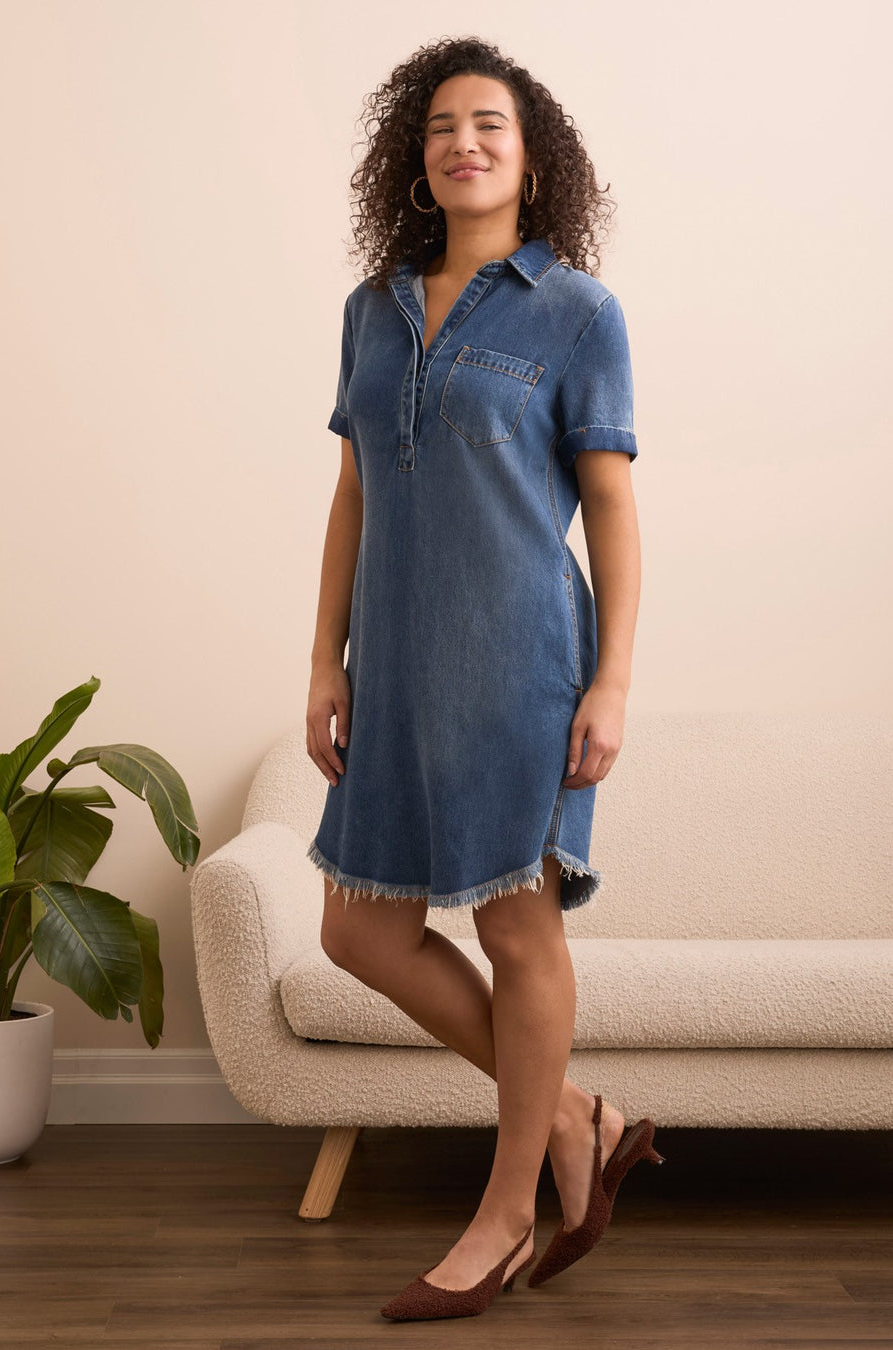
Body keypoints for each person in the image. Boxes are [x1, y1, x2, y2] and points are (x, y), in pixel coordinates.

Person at [304, 34, 664, 1322]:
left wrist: (611, 681)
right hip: (394, 672)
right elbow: (351, 498)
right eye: (444, 124)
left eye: (491, 126)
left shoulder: (577, 313)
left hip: (523, 662)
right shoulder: (373, 308)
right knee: (359, 927)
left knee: (520, 928)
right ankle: (574, 1113)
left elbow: (611, 512)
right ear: (419, 153)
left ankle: (509, 1213)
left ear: (530, 156)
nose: (464, 141)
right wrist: (323, 659)